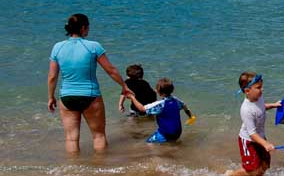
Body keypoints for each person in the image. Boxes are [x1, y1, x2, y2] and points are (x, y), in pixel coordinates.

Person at [47, 14, 132, 153]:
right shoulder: (93, 46)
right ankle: (100, 169)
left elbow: (52, 76)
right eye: (88, 27)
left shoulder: (58, 47)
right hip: (90, 96)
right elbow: (110, 70)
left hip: (67, 97)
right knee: (98, 136)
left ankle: (73, 170)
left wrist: (51, 97)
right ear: (83, 28)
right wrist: (124, 86)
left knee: (71, 138)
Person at [226, 72, 283, 176]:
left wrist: (273, 105)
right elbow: (252, 134)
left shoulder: (258, 98)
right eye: (258, 87)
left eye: (261, 87)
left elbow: (261, 107)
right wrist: (266, 144)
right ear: (247, 91)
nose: (262, 90)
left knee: (265, 164)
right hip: (248, 141)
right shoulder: (246, 109)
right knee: (253, 170)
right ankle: (230, 174)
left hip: (260, 137)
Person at [126, 78, 194, 143]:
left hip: (166, 133)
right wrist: (190, 117)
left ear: (159, 92)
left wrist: (132, 98)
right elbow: (185, 108)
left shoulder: (160, 105)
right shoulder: (176, 101)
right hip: (178, 132)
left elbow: (142, 109)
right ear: (172, 90)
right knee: (172, 143)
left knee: (149, 143)